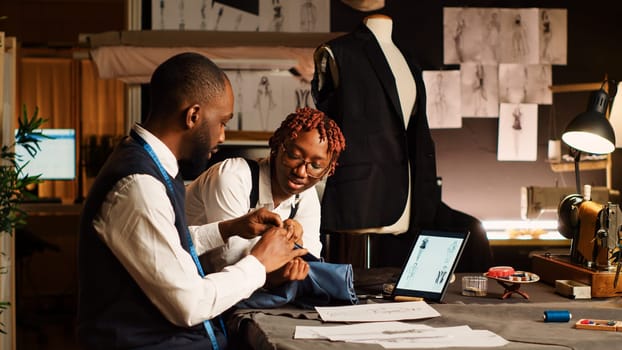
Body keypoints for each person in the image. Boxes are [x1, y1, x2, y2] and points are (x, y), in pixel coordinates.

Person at [77, 52, 307, 350]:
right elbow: (189, 304)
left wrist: (230, 228)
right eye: (222, 122)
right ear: (193, 116)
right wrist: (259, 262)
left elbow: (165, 247)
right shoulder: (139, 185)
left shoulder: (151, 163)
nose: (223, 135)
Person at [311, 14, 493, 272]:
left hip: (411, 192)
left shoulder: (407, 60)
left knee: (469, 230)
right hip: (362, 193)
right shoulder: (339, 52)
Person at [185, 107, 346, 288]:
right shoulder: (232, 176)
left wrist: (296, 245)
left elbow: (310, 264)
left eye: (316, 166)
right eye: (294, 155)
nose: (301, 172)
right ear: (277, 146)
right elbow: (227, 266)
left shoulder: (304, 196)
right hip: (190, 289)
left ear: (328, 170)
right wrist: (279, 269)